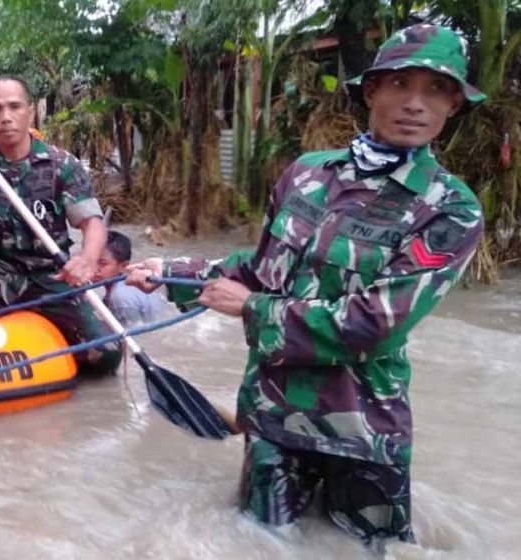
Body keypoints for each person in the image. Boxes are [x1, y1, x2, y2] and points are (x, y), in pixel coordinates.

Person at [127, 24, 485, 548]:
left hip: (364, 433)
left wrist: (252, 309)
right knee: (257, 543)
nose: (415, 103)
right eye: (400, 84)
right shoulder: (306, 174)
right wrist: (170, 274)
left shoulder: (451, 208)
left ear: (454, 105)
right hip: (273, 418)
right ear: (371, 91)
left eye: (435, 90)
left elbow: (375, 324)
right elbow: (264, 268)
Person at [0, 76, 121, 377]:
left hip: (50, 274)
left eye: (15, 107)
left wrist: (87, 259)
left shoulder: (61, 163)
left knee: (106, 354)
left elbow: (92, 223)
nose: (6, 117)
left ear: (30, 111)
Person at [94, 231, 165, 326]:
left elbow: (133, 337)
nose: (94, 268)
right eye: (91, 260)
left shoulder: (120, 297)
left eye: (102, 263)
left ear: (123, 266)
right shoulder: (125, 284)